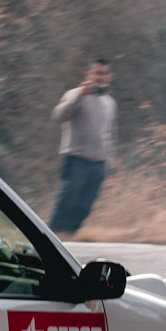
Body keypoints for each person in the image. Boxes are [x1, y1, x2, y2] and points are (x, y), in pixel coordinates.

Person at [49, 59, 116, 236]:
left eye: (104, 73)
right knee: (68, 200)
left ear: (110, 77)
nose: (100, 77)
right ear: (89, 74)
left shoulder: (109, 102)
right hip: (76, 158)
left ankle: (70, 235)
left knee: (85, 205)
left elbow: (108, 133)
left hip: (99, 162)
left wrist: (109, 160)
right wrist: (80, 95)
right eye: (97, 73)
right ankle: (51, 236)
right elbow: (59, 115)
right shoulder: (75, 94)